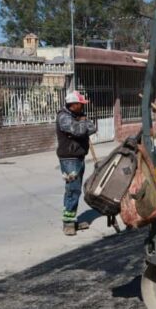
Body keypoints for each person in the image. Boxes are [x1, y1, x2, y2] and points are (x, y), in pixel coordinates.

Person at [56, 90, 97, 236]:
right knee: (72, 190)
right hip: (69, 159)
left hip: (78, 157)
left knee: (76, 190)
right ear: (73, 104)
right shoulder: (64, 117)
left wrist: (82, 122)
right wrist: (83, 123)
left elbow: (92, 128)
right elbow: (78, 131)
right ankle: (68, 223)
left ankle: (72, 220)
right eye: (80, 104)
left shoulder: (77, 116)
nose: (82, 107)